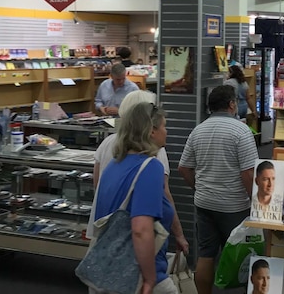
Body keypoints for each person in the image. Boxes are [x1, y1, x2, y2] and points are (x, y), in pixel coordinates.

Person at [178, 85, 259, 294]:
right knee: (238, 253)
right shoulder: (241, 131)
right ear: (232, 104)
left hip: (204, 203)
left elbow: (183, 167)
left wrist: (199, 188)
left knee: (206, 254)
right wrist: (257, 204)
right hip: (234, 205)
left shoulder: (199, 129)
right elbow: (248, 173)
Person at [91, 102, 176, 294]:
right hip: (136, 274)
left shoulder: (114, 164)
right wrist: (150, 278)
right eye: (164, 126)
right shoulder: (150, 167)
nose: (167, 131)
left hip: (106, 272)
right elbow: (141, 229)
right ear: (152, 131)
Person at [89, 90, 187, 254]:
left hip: (108, 242)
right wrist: (179, 234)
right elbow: (161, 198)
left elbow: (98, 186)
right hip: (133, 251)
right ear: (150, 128)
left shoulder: (110, 147)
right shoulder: (152, 159)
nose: (167, 131)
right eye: (164, 126)